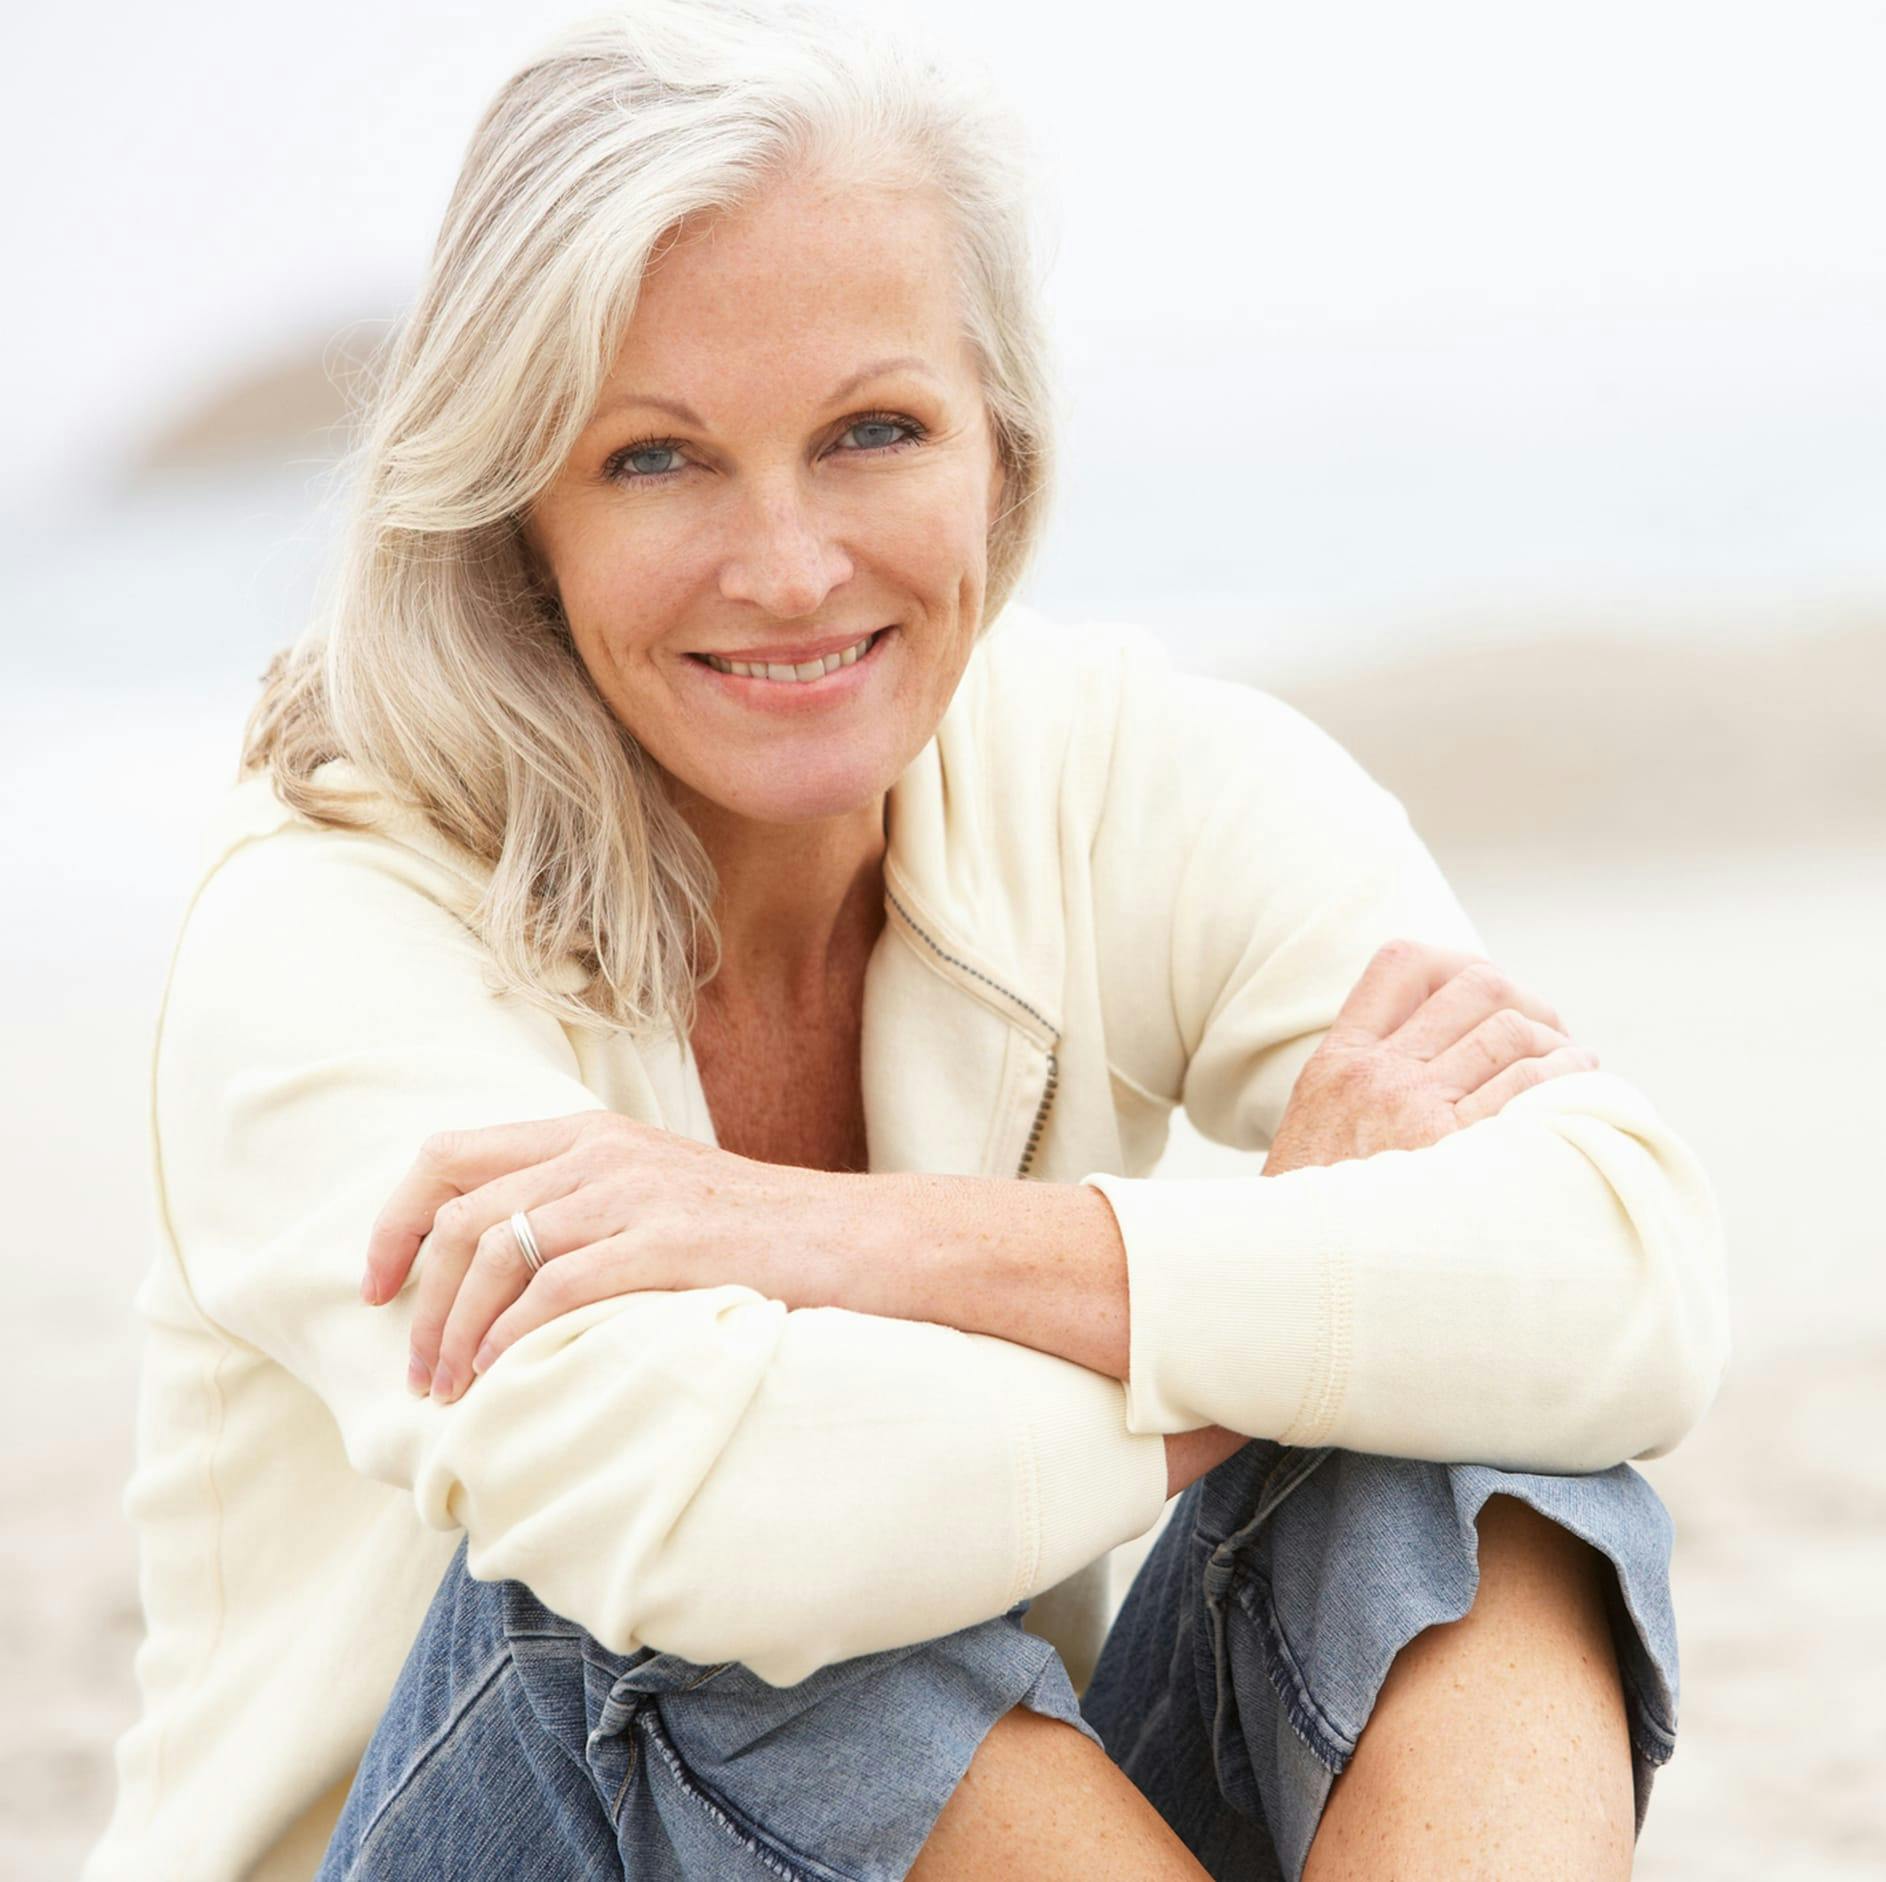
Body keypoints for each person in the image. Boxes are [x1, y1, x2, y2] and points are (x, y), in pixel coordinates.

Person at [83, 3, 1731, 1877]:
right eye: (653, 459)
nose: (787, 566)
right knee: (694, 1604)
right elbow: (716, 1516)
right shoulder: (327, 915)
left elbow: (1627, 1272)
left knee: (1475, 1447)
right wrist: (1280, 1305)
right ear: (514, 508)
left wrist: (834, 1240)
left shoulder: (1125, 772)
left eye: (873, 430)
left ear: (1001, 458)